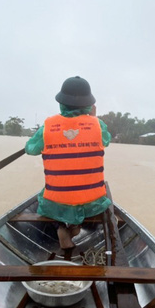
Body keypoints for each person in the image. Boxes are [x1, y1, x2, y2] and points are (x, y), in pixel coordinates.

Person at [25, 76, 112, 249]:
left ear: (61, 103)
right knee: (96, 197)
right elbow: (106, 140)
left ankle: (61, 227)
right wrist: (93, 118)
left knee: (47, 197)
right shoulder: (98, 125)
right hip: (92, 202)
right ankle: (76, 226)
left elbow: (30, 149)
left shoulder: (47, 127)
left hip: (57, 204)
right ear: (88, 105)